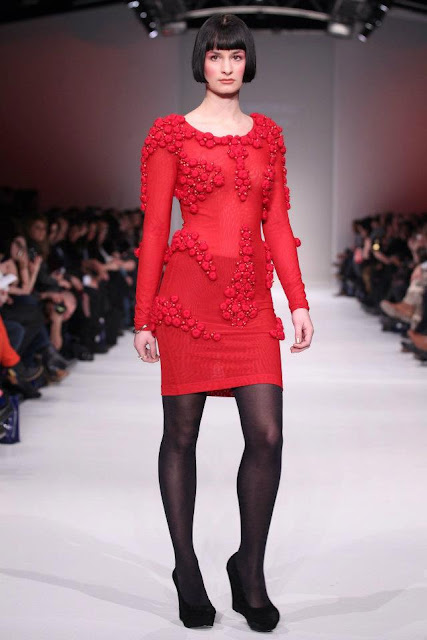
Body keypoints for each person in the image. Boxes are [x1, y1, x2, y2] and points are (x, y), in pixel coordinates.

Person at [133, 13, 314, 632]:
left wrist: (298, 302)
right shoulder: (170, 134)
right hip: (186, 300)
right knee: (181, 435)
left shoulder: (268, 136)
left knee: (267, 435)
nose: (227, 66)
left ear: (248, 62)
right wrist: (142, 316)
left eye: (236, 55)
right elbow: (154, 229)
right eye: (215, 55)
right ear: (201, 63)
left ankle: (249, 568)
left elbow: (278, 224)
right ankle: (187, 569)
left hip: (250, 304)